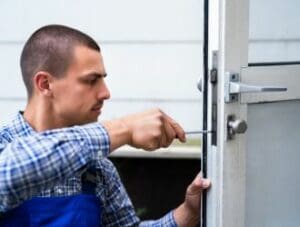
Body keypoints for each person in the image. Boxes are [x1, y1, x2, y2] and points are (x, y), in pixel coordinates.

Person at [0, 24, 210, 226]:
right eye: (91, 80)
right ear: (45, 84)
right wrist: (124, 128)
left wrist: (189, 212)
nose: (106, 93)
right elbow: (9, 174)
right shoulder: (4, 148)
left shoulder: (98, 170)